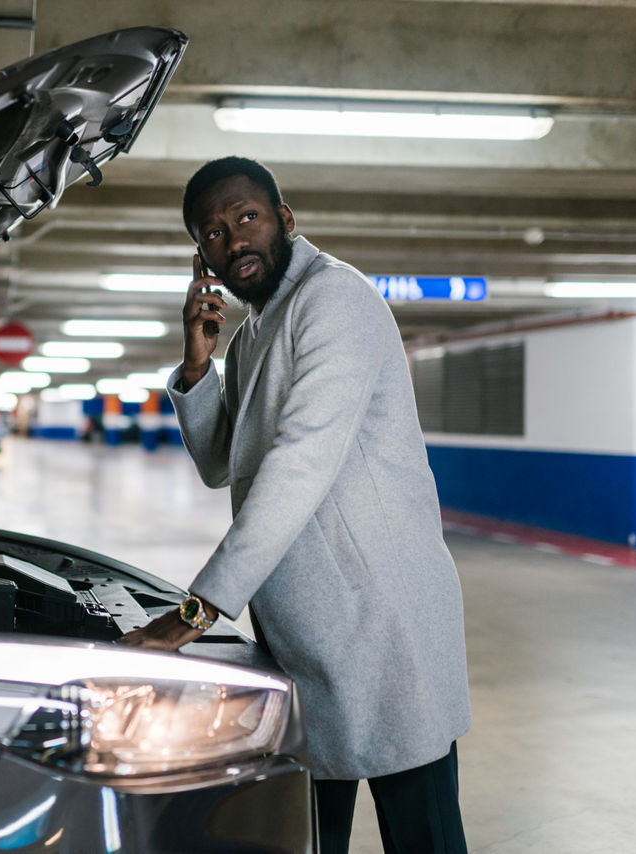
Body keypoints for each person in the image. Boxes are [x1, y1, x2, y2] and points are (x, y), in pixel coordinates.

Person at [118, 157, 471, 853]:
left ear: (284, 219)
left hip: (381, 626)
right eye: (212, 233)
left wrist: (197, 611)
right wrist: (198, 366)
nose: (234, 240)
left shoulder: (335, 300)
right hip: (304, 632)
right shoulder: (251, 336)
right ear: (202, 257)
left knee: (421, 833)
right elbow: (222, 463)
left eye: (246, 217)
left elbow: (299, 464)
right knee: (307, 834)